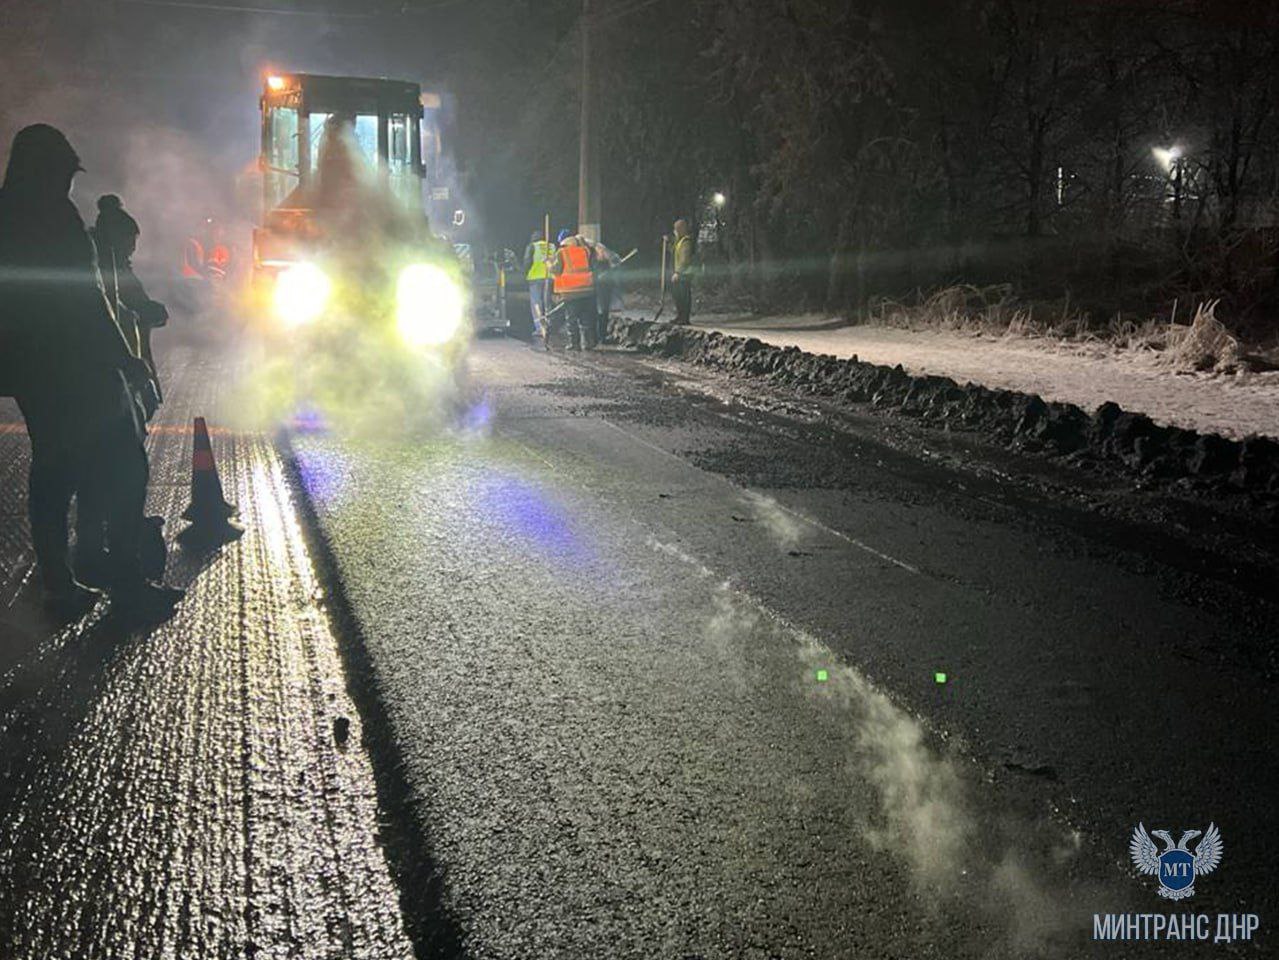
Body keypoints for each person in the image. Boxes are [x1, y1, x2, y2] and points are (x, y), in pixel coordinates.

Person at [0, 124, 182, 621]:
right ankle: (127, 584)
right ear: (48, 170)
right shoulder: (55, 218)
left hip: (29, 369)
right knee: (127, 464)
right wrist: (126, 359)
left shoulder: (5, 213)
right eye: (63, 175)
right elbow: (88, 299)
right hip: (75, 364)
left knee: (53, 472)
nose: (67, 186)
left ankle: (59, 585)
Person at [550, 230, 597, 350]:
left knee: (572, 319)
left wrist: (549, 265)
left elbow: (556, 270)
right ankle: (589, 343)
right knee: (586, 318)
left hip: (571, 292)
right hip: (587, 290)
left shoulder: (562, 252)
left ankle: (574, 344)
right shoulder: (585, 251)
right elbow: (592, 266)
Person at [523, 228, 555, 344]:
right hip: (550, 277)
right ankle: (549, 326)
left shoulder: (532, 246)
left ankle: (539, 329)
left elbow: (527, 261)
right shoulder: (552, 246)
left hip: (535, 278)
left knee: (537, 304)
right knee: (548, 303)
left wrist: (525, 273)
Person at [590, 239, 621, 345]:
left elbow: (616, 260)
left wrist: (613, 265)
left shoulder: (607, 261)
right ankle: (595, 336)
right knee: (597, 313)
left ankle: (601, 336)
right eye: (600, 250)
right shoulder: (592, 260)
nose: (601, 252)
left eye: (602, 251)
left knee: (603, 312)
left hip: (605, 289)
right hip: (595, 289)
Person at [670, 218, 695, 325]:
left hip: (684, 274)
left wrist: (678, 273)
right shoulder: (680, 241)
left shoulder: (686, 242)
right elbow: (674, 251)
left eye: (676, 229)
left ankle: (684, 318)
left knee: (683, 296)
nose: (674, 231)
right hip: (681, 274)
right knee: (678, 296)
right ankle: (680, 316)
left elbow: (684, 260)